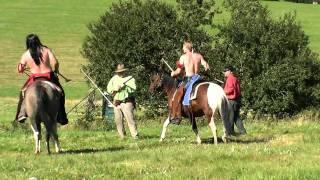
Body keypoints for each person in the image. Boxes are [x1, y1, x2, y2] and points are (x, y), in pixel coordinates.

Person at [15, 34, 68, 125]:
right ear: (38, 41)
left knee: (23, 92)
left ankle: (22, 114)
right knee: (61, 93)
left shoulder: (26, 54)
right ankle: (61, 116)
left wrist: (23, 68)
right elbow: (55, 62)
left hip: (34, 78)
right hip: (49, 76)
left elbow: (20, 69)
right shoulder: (46, 50)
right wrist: (55, 70)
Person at [171, 41, 210, 107]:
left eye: (183, 47)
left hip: (189, 79)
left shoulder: (183, 57)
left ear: (186, 47)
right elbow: (207, 66)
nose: (182, 49)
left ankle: (178, 111)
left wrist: (173, 73)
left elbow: (178, 71)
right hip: (198, 78)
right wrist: (206, 69)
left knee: (177, 94)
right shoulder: (199, 56)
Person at [107, 64, 138, 139]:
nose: (120, 73)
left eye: (122, 72)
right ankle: (122, 136)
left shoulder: (130, 78)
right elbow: (109, 89)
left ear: (124, 71)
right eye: (119, 72)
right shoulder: (114, 78)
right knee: (118, 120)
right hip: (117, 102)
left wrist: (125, 87)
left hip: (127, 101)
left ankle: (135, 136)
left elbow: (134, 89)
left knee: (130, 119)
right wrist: (115, 88)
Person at [223, 65, 247, 135]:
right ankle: (243, 132)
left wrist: (223, 92)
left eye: (225, 71)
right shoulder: (234, 78)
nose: (224, 72)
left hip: (232, 101)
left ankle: (229, 134)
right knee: (236, 118)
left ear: (230, 71)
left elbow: (231, 89)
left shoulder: (230, 78)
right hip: (236, 100)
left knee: (230, 118)